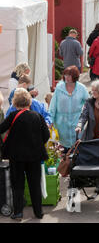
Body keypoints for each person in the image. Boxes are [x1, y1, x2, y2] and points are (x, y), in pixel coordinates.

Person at [0, 88, 50, 220]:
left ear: (15, 103)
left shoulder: (12, 116)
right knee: (35, 184)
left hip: (16, 157)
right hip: (34, 155)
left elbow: (1, 129)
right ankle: (38, 212)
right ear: (29, 102)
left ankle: (18, 213)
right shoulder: (37, 116)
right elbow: (46, 135)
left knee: (17, 185)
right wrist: (37, 144)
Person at [49, 66, 89, 151]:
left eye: (69, 75)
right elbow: (53, 106)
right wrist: (50, 120)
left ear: (75, 76)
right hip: (61, 123)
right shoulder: (59, 88)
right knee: (62, 150)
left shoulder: (81, 88)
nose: (66, 77)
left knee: (76, 148)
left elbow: (89, 102)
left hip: (76, 121)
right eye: (65, 75)